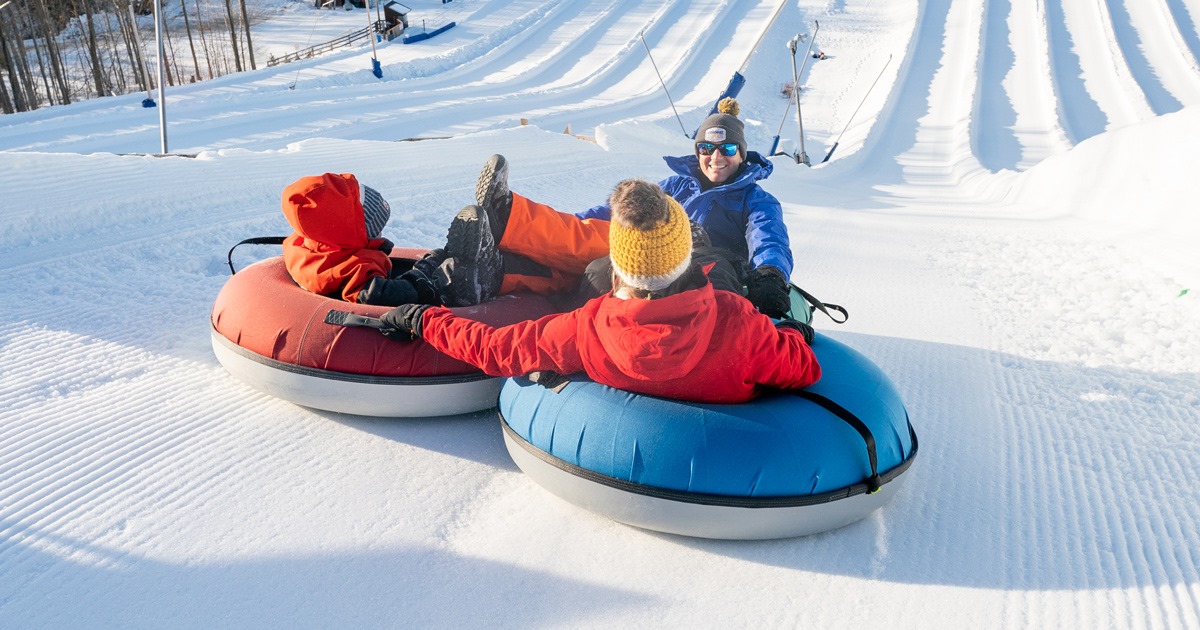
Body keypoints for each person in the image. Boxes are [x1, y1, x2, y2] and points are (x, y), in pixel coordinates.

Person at [379, 179, 820, 404]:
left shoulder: (587, 327)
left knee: (581, 271)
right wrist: (794, 334)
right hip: (709, 296)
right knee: (719, 266)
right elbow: (802, 368)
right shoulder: (736, 321)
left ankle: (500, 260)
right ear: (686, 258)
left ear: (619, 270)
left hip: (615, 302)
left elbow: (496, 349)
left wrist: (423, 319)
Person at [441, 97, 794, 319]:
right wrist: (563, 232)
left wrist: (770, 274)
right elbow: (609, 216)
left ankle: (503, 266)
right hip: (649, 257)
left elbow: (768, 239)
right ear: (697, 150)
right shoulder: (673, 187)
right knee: (596, 253)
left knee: (598, 269)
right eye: (706, 148)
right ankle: (505, 230)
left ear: (742, 154)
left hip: (707, 263)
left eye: (727, 150)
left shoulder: (755, 199)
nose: (715, 158)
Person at [280, 172, 442, 306]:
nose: (380, 233)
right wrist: (420, 275)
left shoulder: (303, 245)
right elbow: (382, 296)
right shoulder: (351, 270)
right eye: (375, 230)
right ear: (350, 235)